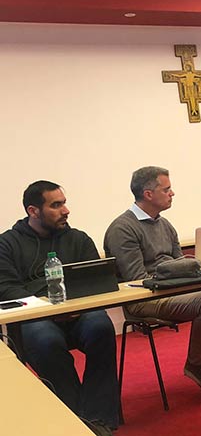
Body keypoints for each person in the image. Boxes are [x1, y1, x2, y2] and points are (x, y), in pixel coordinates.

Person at [104, 166, 201, 399]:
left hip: (179, 288)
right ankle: (198, 364)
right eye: (167, 189)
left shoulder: (164, 224)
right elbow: (138, 279)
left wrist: (190, 267)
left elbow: (180, 264)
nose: (172, 193)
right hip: (146, 299)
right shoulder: (122, 229)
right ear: (148, 194)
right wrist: (182, 269)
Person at [0, 181, 119, 430]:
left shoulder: (78, 239)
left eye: (64, 203)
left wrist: (73, 306)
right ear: (33, 211)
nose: (66, 210)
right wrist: (48, 307)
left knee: (100, 327)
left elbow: (96, 281)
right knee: (46, 340)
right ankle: (75, 419)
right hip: (35, 317)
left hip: (78, 312)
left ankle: (100, 419)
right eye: (56, 205)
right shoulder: (7, 244)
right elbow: (6, 288)